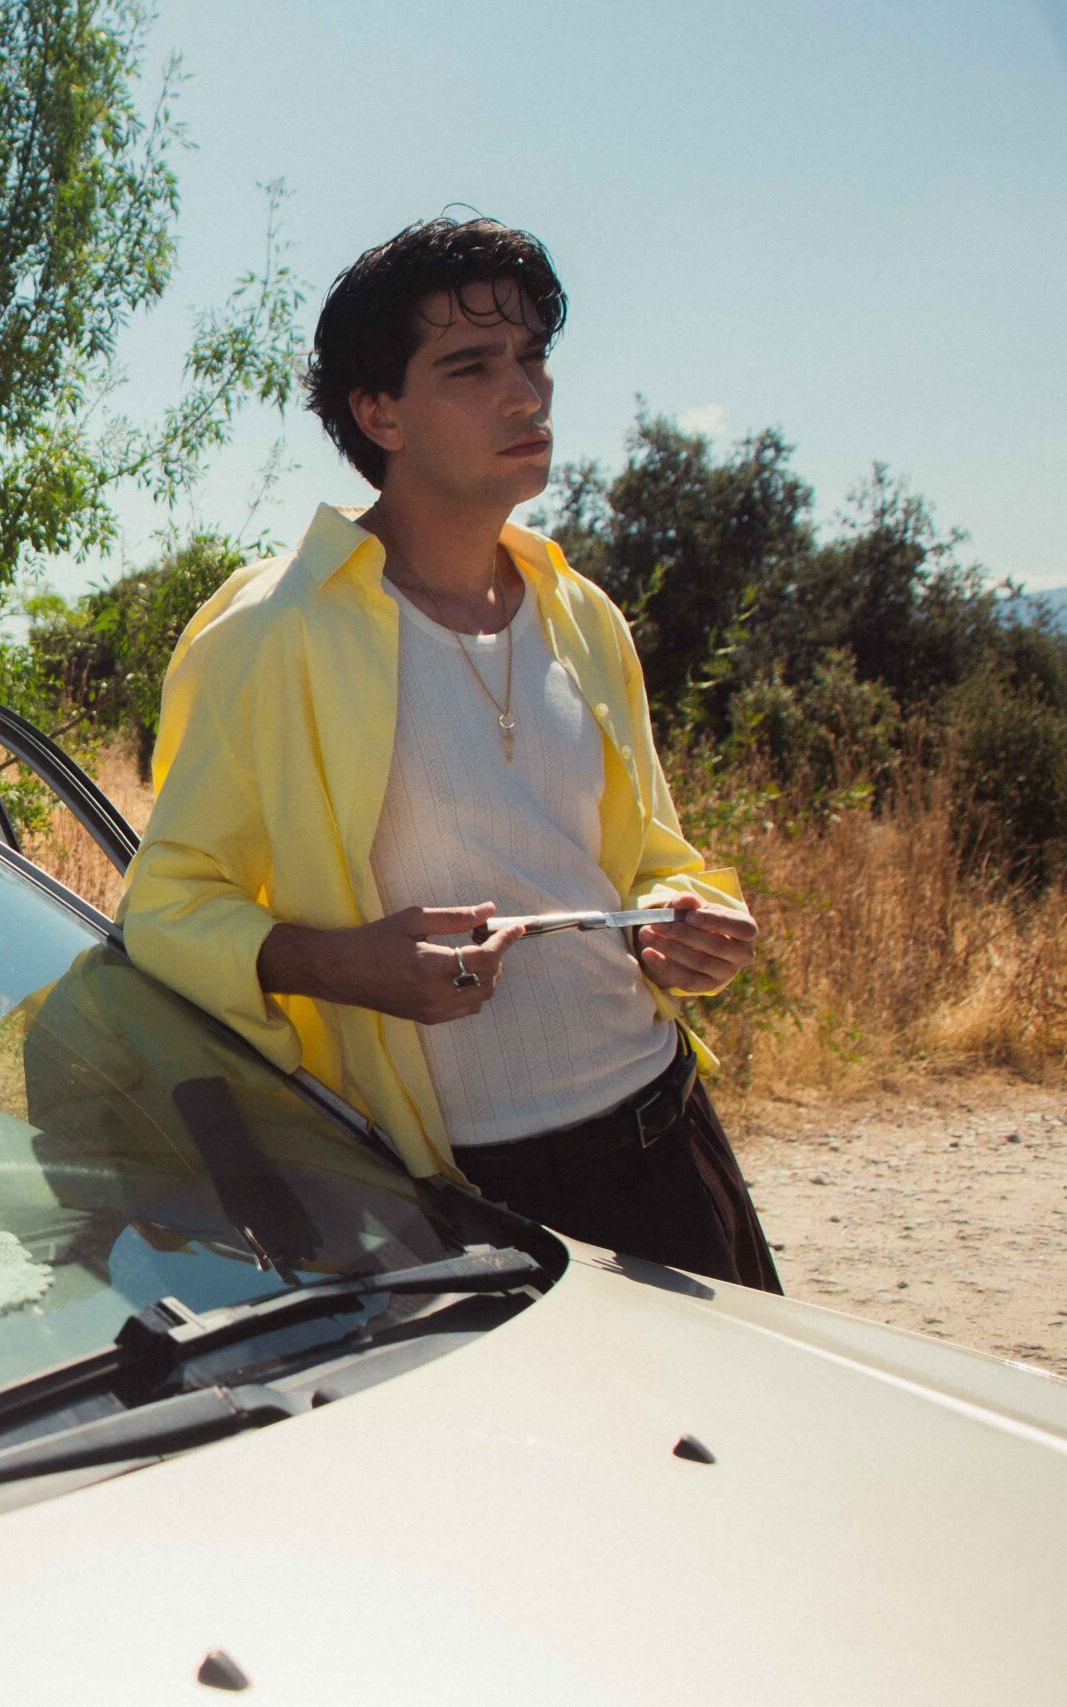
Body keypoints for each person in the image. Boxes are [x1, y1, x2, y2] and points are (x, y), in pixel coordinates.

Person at [119, 216, 779, 1290]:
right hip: (453, 1193)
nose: (525, 395)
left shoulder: (583, 613)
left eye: (532, 357)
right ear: (378, 412)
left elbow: (652, 855)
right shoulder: (271, 630)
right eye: (471, 367)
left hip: (666, 1131)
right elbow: (164, 909)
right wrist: (342, 965)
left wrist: (684, 918)